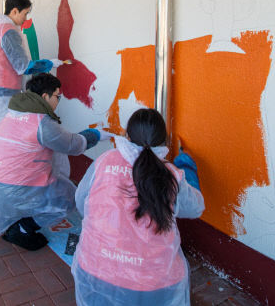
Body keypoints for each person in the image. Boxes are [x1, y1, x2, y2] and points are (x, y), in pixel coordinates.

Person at [71, 108, 204, 306]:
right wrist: (187, 171)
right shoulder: (171, 175)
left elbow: (81, 201)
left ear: (127, 135)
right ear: (163, 140)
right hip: (155, 285)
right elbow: (195, 208)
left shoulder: (105, 161)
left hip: (94, 273)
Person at [0, 73, 101, 251]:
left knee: (51, 185)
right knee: (68, 199)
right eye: (57, 96)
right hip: (16, 187)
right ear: (45, 96)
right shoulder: (42, 122)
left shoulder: (14, 113)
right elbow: (73, 145)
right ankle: (23, 228)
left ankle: (21, 220)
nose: (58, 101)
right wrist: (96, 135)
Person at [0, 0, 53, 146]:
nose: (25, 19)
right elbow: (22, 66)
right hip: (1, 97)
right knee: (2, 140)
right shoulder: (8, 31)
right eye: (25, 14)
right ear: (14, 11)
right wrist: (50, 64)